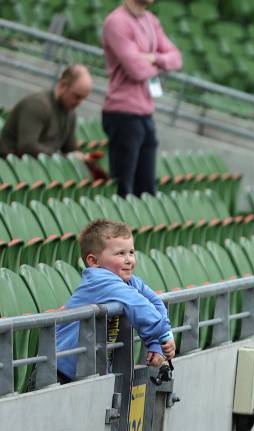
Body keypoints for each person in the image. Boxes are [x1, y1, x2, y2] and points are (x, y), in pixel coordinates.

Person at [56, 219, 175, 382]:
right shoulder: (100, 280)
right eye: (120, 253)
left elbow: (154, 303)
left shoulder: (128, 281)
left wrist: (156, 343)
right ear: (93, 261)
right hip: (59, 375)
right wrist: (163, 335)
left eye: (131, 252)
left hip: (88, 374)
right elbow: (138, 304)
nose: (129, 260)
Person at [102, 0, 182, 198]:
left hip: (146, 113)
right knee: (122, 188)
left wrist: (153, 58)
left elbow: (176, 58)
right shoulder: (116, 22)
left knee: (146, 190)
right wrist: (157, 63)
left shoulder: (151, 21)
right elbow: (136, 69)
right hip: (123, 113)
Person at [0, 65, 92, 157]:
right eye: (77, 97)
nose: (79, 103)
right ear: (63, 85)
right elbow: (27, 148)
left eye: (83, 98)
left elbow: (70, 150)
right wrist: (62, 157)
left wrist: (83, 157)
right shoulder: (37, 105)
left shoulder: (69, 113)